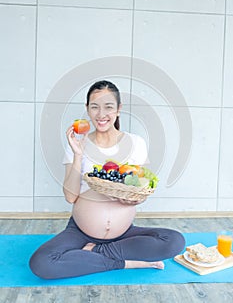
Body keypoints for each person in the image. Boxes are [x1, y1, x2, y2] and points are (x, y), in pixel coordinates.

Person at [29, 80, 185, 279]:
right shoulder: (78, 144)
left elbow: (141, 190)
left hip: (124, 234)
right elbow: (70, 196)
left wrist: (136, 200)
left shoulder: (136, 143)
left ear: (119, 109)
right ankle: (126, 263)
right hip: (80, 232)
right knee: (41, 263)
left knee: (175, 241)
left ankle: (96, 253)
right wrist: (78, 154)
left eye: (108, 107)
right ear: (87, 109)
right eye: (94, 107)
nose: (101, 114)